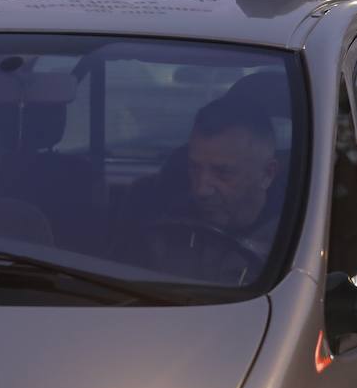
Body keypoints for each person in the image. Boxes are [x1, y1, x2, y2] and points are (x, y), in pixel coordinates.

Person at [116, 93, 283, 283]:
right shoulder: (161, 226)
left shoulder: (296, 244)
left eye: (222, 172)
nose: (202, 189)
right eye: (194, 167)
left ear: (267, 174)